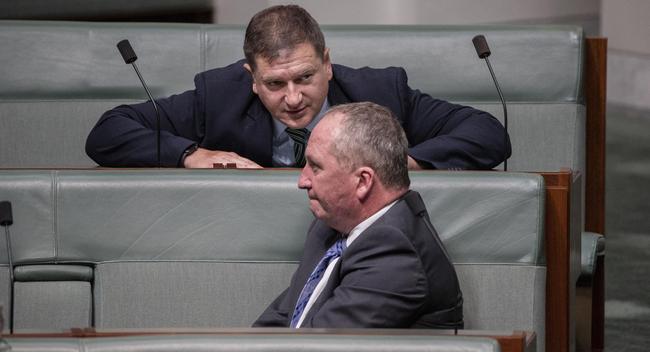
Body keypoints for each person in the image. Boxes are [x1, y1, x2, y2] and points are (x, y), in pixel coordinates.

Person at [85, 5, 510, 170]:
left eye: (305, 77)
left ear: (326, 63)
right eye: (274, 83)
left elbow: (489, 134)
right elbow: (107, 132)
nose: (292, 98)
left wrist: (407, 164)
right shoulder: (218, 97)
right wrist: (191, 154)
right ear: (251, 78)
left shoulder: (380, 91)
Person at [253, 102, 463, 328]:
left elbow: (320, 350)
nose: (302, 181)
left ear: (363, 181)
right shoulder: (332, 223)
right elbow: (287, 313)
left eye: (315, 167)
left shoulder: (395, 255)